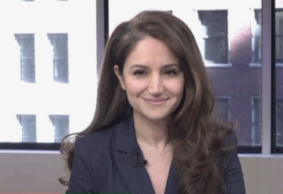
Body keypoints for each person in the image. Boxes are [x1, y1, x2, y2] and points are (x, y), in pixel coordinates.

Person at [59, 10, 246, 194]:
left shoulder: (219, 147)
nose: (155, 88)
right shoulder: (92, 152)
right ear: (121, 77)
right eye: (140, 72)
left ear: (188, 76)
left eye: (169, 72)